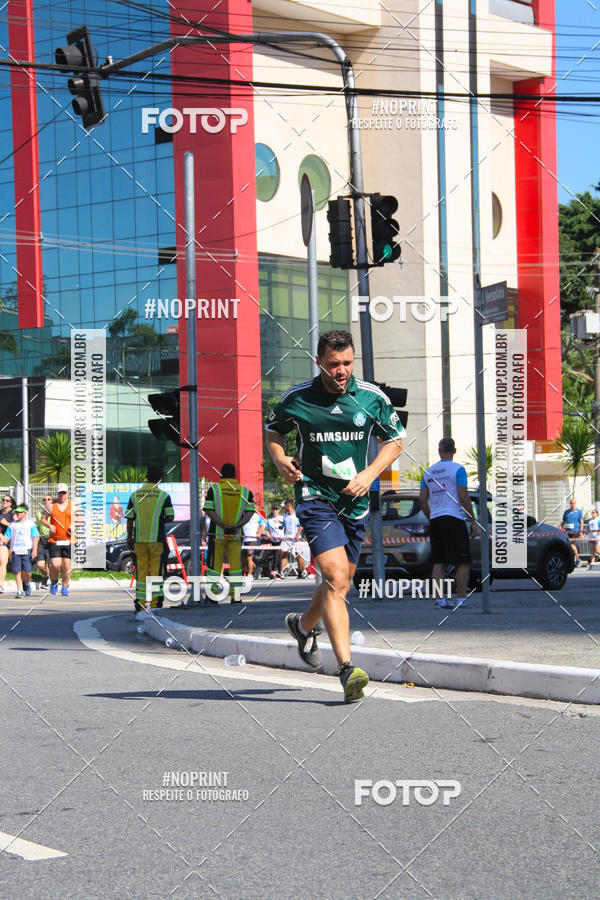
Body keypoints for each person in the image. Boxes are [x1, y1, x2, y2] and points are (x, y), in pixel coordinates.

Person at [266, 329, 405, 703]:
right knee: (334, 575)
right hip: (315, 496)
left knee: (339, 584)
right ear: (319, 363)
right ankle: (347, 669)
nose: (340, 371)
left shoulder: (371, 398)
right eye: (333, 364)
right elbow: (274, 431)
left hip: (355, 502)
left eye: (346, 363)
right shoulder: (298, 398)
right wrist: (279, 459)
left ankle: (302, 626)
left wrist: (369, 474)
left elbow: (394, 441)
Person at [419, 438, 476, 609]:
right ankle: (461, 599)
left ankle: (440, 600)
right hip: (454, 518)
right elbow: (463, 496)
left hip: (436, 519)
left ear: (439, 451)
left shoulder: (428, 472)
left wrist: (431, 517)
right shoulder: (458, 469)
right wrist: (472, 520)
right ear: (454, 451)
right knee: (462, 561)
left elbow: (422, 499)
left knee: (439, 562)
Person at [204, 463, 256, 603]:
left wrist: (223, 525)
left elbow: (208, 509)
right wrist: (238, 526)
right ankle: (236, 596)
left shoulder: (214, 490)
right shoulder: (244, 491)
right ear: (235, 474)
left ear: (221, 474)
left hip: (217, 535)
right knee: (236, 566)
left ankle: (212, 596)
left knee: (215, 566)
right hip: (235, 535)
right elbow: (250, 511)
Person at [126, 466, 174, 612]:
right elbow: (170, 517)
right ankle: (155, 605)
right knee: (156, 573)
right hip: (157, 541)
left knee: (141, 573)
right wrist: (159, 520)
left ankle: (140, 605)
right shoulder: (164, 496)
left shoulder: (135, 496)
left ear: (146, 477)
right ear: (160, 480)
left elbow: (129, 519)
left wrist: (129, 537)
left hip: (139, 541)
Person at [42, 483, 77, 596]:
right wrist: (49, 525)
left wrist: (74, 525)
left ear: (67, 493)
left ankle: (65, 586)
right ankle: (54, 582)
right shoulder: (51, 505)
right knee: (55, 564)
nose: (62, 495)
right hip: (55, 540)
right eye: (60, 493)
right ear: (57, 494)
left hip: (69, 540)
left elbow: (80, 518)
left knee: (67, 565)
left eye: (64, 493)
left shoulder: (73, 505)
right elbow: (43, 519)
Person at [3, 504, 39, 597]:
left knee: (27, 571)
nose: (17, 514)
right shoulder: (12, 525)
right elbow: (7, 537)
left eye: (20, 512)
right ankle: (19, 590)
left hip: (27, 550)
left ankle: (27, 583)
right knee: (17, 571)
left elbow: (35, 537)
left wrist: (35, 549)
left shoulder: (30, 524)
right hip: (15, 550)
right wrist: (3, 541)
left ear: (25, 513)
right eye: (17, 512)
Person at [280, 500, 307, 578]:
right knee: (284, 555)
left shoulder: (296, 515)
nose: (283, 508)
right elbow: (284, 526)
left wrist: (296, 537)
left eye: (284, 507)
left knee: (298, 555)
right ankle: (282, 572)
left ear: (288, 506)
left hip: (296, 538)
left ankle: (302, 571)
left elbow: (300, 527)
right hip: (287, 538)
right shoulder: (285, 516)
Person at [35, 493, 53, 588]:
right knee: (40, 564)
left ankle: (49, 581)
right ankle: (47, 576)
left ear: (52, 501)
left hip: (52, 539)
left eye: (48, 499)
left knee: (49, 563)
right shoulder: (39, 514)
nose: (46, 501)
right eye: (44, 499)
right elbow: (38, 528)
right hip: (42, 540)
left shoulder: (55, 513)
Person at [0, 493, 16, 593]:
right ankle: (1, 585)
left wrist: (6, 523)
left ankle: (23, 582)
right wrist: (2, 537)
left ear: (11, 503)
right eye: (3, 500)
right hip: (3, 541)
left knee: (15, 564)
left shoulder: (13, 513)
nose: (5, 502)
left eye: (7, 500)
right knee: (2, 561)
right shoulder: (0, 513)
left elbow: (17, 526)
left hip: (13, 541)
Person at [561, 498, 584, 568]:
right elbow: (563, 522)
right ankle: (571, 561)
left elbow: (581, 522)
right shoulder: (566, 512)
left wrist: (581, 532)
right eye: (571, 503)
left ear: (575, 503)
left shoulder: (579, 511)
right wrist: (560, 528)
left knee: (572, 545)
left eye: (573, 503)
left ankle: (578, 559)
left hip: (575, 531)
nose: (572, 504)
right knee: (568, 546)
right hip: (568, 531)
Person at [242, 509, 265, 577]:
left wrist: (259, 533)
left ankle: (249, 575)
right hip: (244, 539)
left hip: (252, 539)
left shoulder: (257, 516)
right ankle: (257, 568)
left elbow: (261, 526)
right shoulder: (243, 515)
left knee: (249, 558)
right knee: (245, 559)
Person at [266, 504, 285, 578]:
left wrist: (280, 522)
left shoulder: (282, 518)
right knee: (275, 555)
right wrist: (268, 535)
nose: (275, 511)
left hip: (281, 539)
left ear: (279, 510)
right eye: (273, 509)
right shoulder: (269, 520)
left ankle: (274, 570)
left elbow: (286, 525)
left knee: (277, 555)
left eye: (276, 509)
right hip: (273, 540)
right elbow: (267, 530)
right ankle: (278, 571)